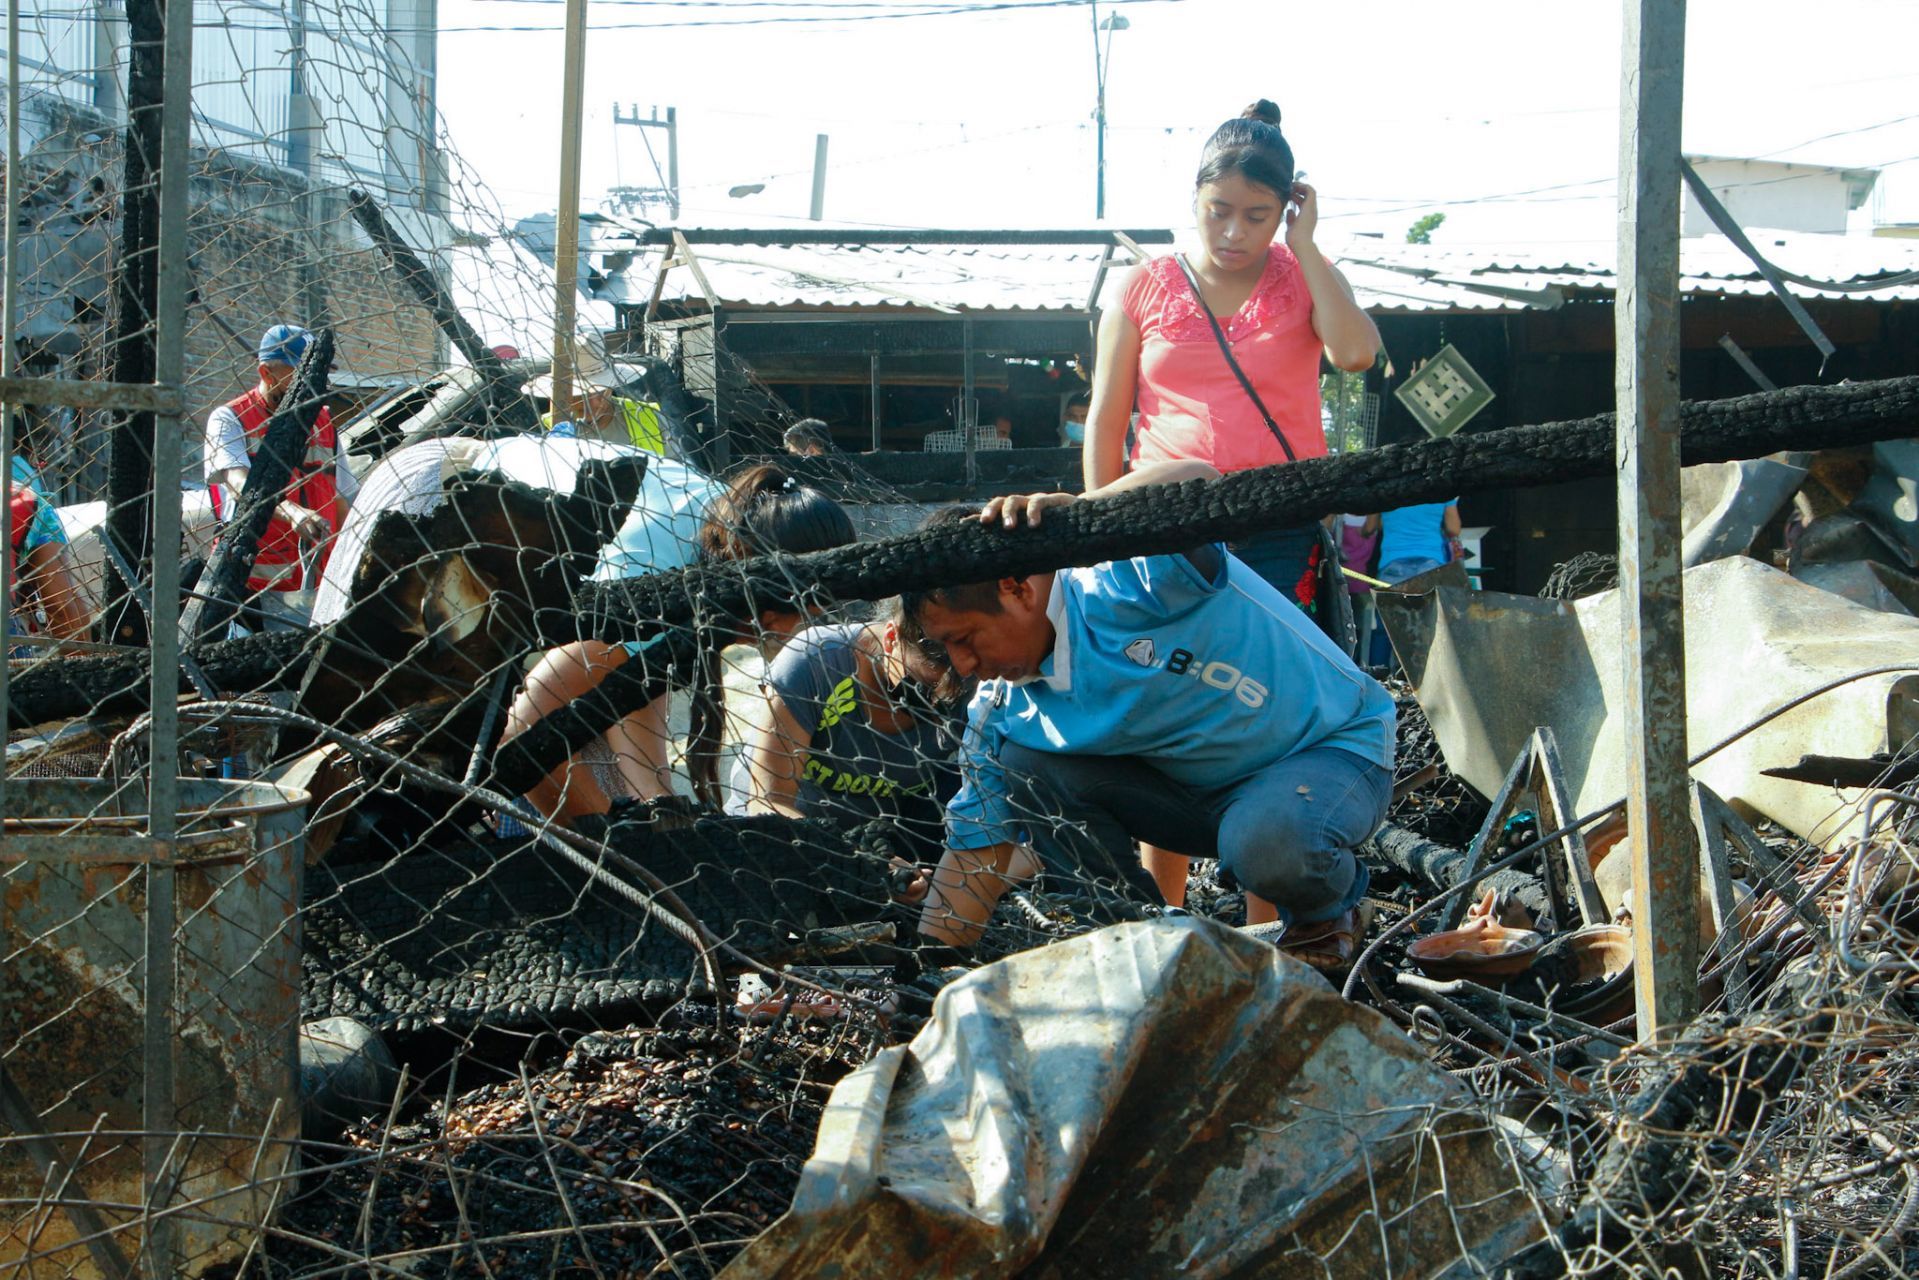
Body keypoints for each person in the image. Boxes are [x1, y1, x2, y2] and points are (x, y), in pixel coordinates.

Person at [904, 462, 1395, 971]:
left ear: (1017, 589)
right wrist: (925, 974)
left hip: (1326, 752)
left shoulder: (1125, 578)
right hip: (1195, 801)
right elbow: (975, 847)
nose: (962, 666)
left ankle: (1333, 909)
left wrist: (1091, 509)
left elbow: (1202, 477)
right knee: (1024, 762)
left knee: (1270, 845)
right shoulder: (1001, 708)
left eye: (963, 640)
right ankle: (1132, 947)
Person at [1082, 99, 1380, 913]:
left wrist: (1307, 246)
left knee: (1270, 715)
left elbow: (1355, 354)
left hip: (1279, 528)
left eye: (1257, 215)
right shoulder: (1142, 286)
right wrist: (1095, 529)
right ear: (1194, 202)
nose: (1233, 232)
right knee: (1174, 707)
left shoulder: (1301, 278)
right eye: (1218, 212)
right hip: (1162, 528)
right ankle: (1167, 915)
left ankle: (1266, 919)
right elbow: (1109, 417)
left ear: (1284, 208)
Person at [500, 462, 856, 819]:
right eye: (795, 613)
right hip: (470, 510)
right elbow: (521, 737)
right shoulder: (644, 585)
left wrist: (658, 801)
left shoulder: (754, 514)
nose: (793, 632)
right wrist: (605, 841)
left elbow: (635, 689)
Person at [736, 597, 968, 861]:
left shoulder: (979, 675)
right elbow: (768, 803)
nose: (939, 698)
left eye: (951, 696)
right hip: (795, 841)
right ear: (891, 639)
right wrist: (858, 864)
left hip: (892, 837)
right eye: (925, 688)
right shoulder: (814, 660)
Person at [203, 324, 359, 629]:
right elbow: (238, 482)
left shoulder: (323, 421)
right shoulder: (231, 419)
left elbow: (343, 500)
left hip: (318, 590)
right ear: (266, 373)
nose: (312, 384)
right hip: (251, 592)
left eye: (318, 373)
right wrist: (290, 511)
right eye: (300, 374)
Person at [6, 454, 90, 642]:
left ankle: (79, 665)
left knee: (60, 603)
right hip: (27, 508)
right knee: (60, 603)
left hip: (31, 510)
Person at [526, 344, 668, 456]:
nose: (593, 402)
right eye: (581, 394)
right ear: (562, 393)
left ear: (611, 386)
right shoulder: (541, 430)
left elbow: (677, 477)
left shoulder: (650, 417)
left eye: (600, 390)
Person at [1365, 498, 1462, 585]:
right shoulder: (1441, 488)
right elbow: (1453, 529)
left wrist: (1361, 532)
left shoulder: (1384, 489)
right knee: (1429, 604)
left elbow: (1369, 528)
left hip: (1392, 560)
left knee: (1394, 604)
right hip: (1432, 560)